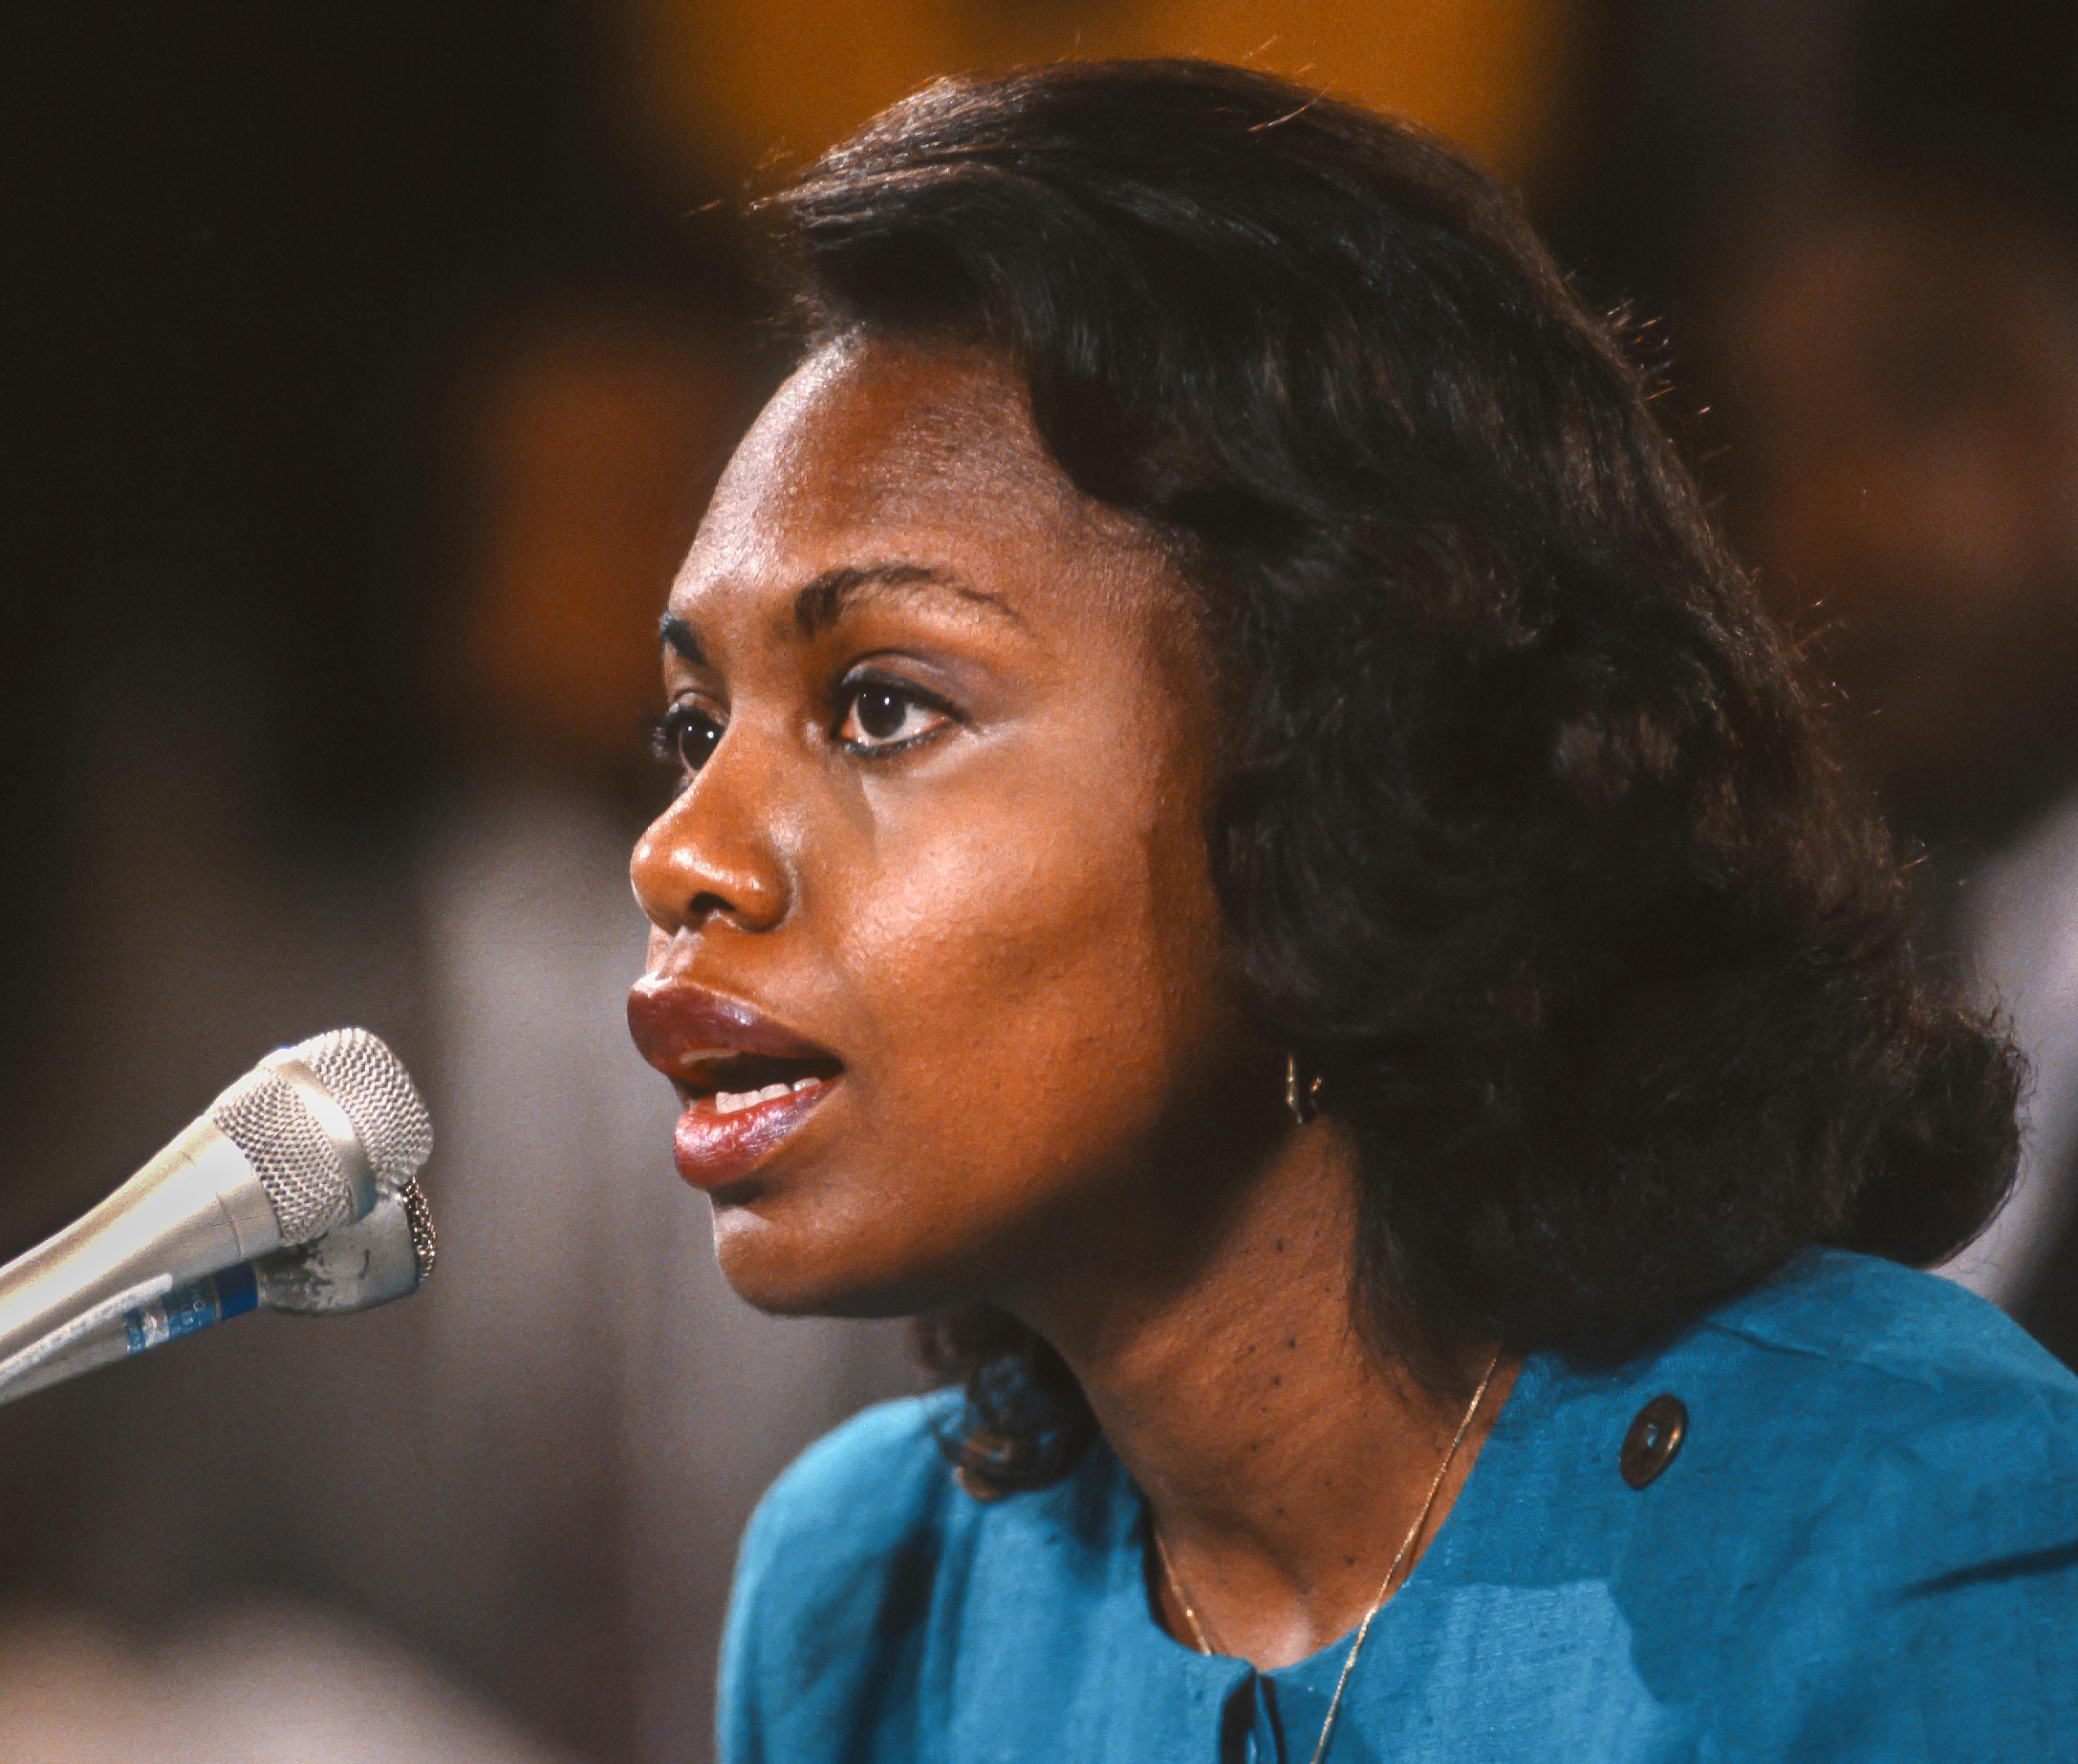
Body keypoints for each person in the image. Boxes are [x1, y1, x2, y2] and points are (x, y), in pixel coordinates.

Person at [620, 60, 2078, 1761]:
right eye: (690, 729)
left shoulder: (1896, 1531)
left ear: (1351, 764)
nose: (680, 851)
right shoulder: (863, 1601)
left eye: (881, 706)